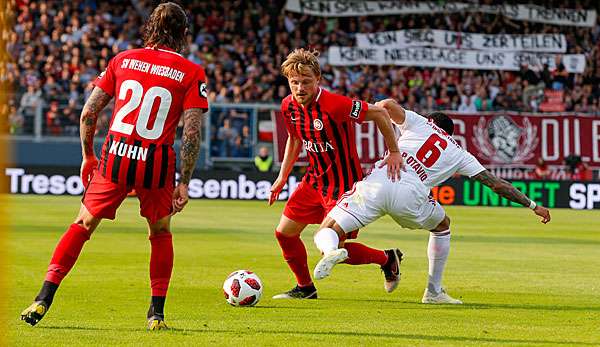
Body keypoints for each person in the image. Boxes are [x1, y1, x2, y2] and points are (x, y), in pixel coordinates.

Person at [20, 2, 208, 330]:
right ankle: (156, 315)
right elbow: (191, 132)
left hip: (116, 156)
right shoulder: (191, 72)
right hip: (156, 163)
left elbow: (88, 114)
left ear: (150, 28)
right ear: (183, 35)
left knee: (82, 224)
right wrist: (184, 181)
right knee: (160, 232)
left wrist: (88, 156)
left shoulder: (123, 59)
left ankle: (43, 298)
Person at [312, 99, 551, 304]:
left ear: (431, 120)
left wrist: (372, 115)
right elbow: (497, 185)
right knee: (442, 225)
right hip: (411, 197)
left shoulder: (420, 122)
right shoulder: (460, 153)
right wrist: (533, 205)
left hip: (379, 181)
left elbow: (385, 105)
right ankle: (433, 291)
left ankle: (332, 251)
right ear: (450, 133)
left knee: (330, 228)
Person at [269, 49, 404, 299]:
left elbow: (380, 113)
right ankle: (306, 288)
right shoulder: (288, 106)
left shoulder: (336, 104)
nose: (300, 88)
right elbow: (294, 139)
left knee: (331, 248)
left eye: (306, 82)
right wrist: (281, 177)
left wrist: (394, 151)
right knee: (284, 233)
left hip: (344, 187)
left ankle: (387, 258)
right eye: (294, 82)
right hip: (313, 182)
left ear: (318, 79)